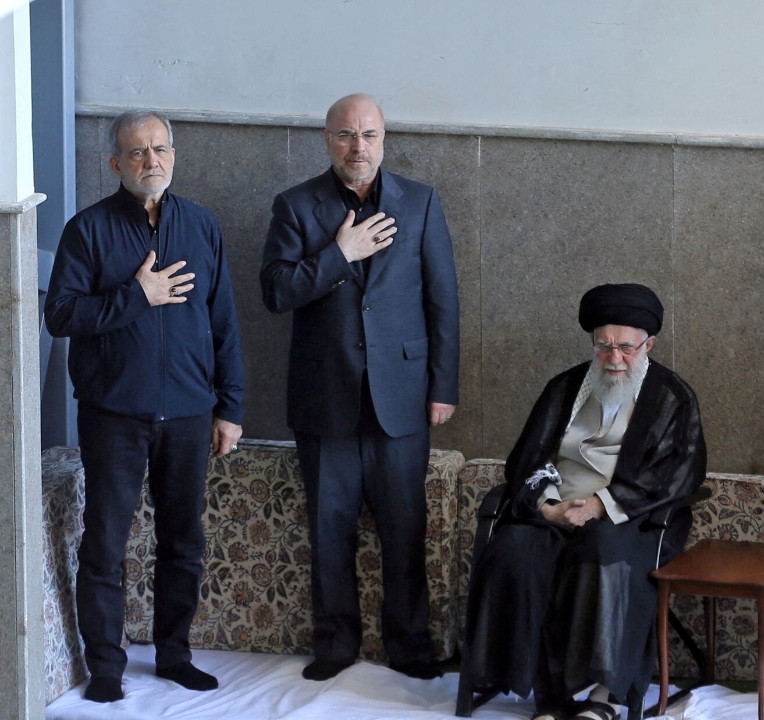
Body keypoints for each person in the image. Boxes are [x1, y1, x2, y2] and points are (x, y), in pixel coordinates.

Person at [45, 109, 245, 702]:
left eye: (159, 149)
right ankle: (106, 667)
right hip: (113, 414)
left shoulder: (201, 226)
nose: (150, 160)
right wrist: (137, 294)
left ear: (174, 156)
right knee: (105, 542)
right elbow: (61, 315)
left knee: (183, 541)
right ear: (116, 163)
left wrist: (230, 407)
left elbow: (223, 322)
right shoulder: (87, 229)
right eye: (136, 152)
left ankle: (174, 656)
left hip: (188, 413)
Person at [260, 93, 460, 681]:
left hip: (403, 396)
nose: (358, 147)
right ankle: (335, 646)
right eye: (346, 135)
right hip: (325, 398)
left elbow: (443, 301)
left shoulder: (421, 202)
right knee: (330, 530)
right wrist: (338, 255)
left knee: (405, 529)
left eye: (368, 135)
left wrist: (443, 386)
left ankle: (411, 647)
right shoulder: (296, 205)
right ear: (328, 140)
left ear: (383, 139)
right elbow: (275, 292)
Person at [459, 284, 706, 720]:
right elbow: (527, 458)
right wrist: (547, 505)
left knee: (602, 552)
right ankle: (549, 697)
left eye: (625, 348)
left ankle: (604, 697)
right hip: (556, 510)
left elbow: (679, 472)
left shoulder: (672, 397)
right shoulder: (565, 387)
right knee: (514, 550)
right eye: (604, 346)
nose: (614, 358)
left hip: (629, 517)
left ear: (648, 345)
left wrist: (601, 504)